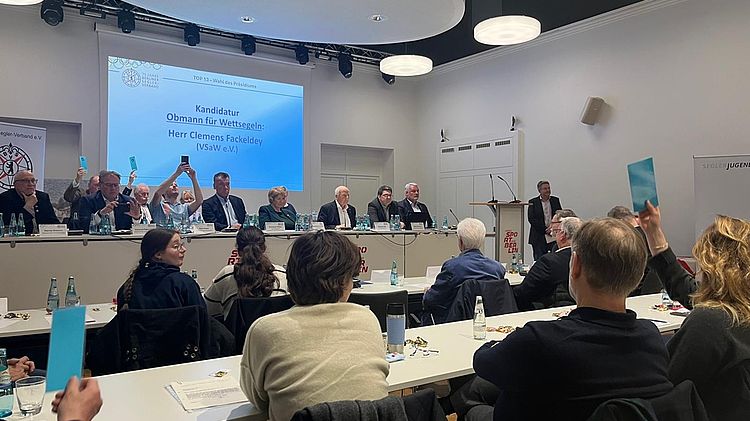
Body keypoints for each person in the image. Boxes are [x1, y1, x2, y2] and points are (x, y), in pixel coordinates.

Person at [457, 218, 673, 420]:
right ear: (638, 277)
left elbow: (483, 362)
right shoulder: (652, 338)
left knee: (469, 401)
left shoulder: (540, 340)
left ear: (575, 265)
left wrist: (497, 343)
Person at [240, 231, 389, 421]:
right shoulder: (367, 318)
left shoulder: (265, 330)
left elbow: (258, 400)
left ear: (291, 277)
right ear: (344, 283)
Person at [639, 200, 750, 419]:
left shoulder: (712, 323)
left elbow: (665, 386)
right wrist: (654, 234)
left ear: (712, 264)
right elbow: (689, 291)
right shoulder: (736, 311)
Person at [422, 218, 506, 325]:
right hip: (489, 322)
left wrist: (427, 292)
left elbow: (431, 300)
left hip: (454, 323)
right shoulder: (498, 269)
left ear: (460, 241)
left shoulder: (452, 267)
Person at [204, 226, 288, 320]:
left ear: (238, 251)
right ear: (264, 248)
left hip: (236, 330)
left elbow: (207, 310)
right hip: (274, 329)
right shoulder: (282, 274)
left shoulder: (227, 275)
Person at [116, 228, 205, 311]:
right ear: (158, 255)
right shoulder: (184, 284)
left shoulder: (127, 289)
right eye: (176, 246)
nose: (183, 249)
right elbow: (202, 317)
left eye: (182, 245)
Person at [513, 216, 581, 310]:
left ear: (562, 235)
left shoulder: (549, 261)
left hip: (548, 311)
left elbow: (523, 292)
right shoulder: (589, 259)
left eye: (556, 231)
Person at [607, 205, 661, 295]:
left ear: (619, 223)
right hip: (651, 292)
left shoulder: (625, 241)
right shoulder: (651, 234)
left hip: (632, 293)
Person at [0, 170, 60, 234]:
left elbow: (53, 222)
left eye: (33, 181)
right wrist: (28, 207)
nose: (30, 184)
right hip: (20, 238)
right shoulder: (5, 198)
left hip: (43, 237)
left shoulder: (42, 197)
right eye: (26, 181)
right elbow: (8, 227)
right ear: (15, 184)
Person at [527, 180, 562, 261]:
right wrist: (545, 230)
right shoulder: (533, 202)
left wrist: (552, 228)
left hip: (553, 235)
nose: (548, 190)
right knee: (539, 260)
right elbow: (531, 219)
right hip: (539, 236)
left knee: (555, 259)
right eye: (545, 188)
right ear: (539, 190)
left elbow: (559, 215)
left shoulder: (555, 200)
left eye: (549, 188)